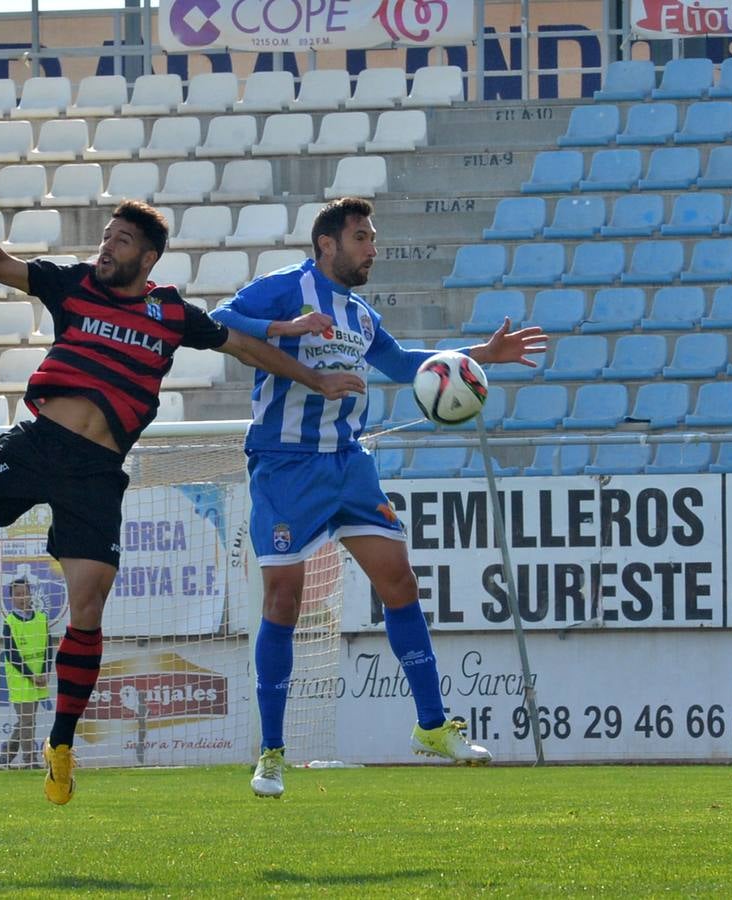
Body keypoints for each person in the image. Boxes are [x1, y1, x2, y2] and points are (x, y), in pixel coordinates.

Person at [0, 187, 360, 805]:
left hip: (97, 473)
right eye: (106, 237)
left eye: (122, 241)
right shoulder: (73, 284)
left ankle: (59, 745)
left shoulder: (170, 314)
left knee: (87, 607)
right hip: (36, 447)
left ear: (150, 257)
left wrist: (316, 378)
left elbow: (242, 346)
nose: (107, 247)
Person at [210, 197, 548, 798]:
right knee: (284, 600)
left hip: (349, 465)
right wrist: (285, 330)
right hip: (284, 466)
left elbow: (401, 364)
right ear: (326, 244)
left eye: (373, 238)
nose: (372, 248)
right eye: (362, 237)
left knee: (400, 582)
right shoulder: (285, 289)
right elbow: (217, 323)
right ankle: (271, 751)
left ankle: (432, 725)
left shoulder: (361, 316)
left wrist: (478, 356)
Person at [0, 576, 50, 768]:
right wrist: (31, 675)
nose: (22, 597)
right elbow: (12, 656)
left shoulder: (42, 618)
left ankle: (7, 754)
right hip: (21, 679)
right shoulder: (10, 621)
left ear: (31, 594)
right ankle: (29, 761)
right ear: (11, 598)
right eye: (17, 594)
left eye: (25, 593)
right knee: (27, 721)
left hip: (40, 678)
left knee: (26, 720)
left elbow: (48, 647)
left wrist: (45, 672)